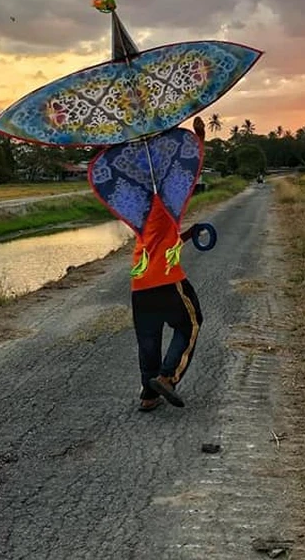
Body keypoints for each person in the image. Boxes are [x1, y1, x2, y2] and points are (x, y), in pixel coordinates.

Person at [131, 116, 208, 412]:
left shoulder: (139, 211)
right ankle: (167, 376)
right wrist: (199, 139)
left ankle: (148, 395)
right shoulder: (165, 202)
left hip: (140, 284)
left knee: (148, 340)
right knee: (191, 323)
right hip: (166, 280)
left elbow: (160, 243)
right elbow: (187, 173)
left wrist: (187, 234)